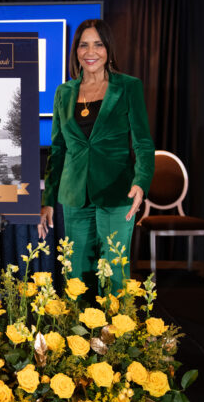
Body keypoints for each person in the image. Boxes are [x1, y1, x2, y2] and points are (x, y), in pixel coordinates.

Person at [38, 19, 154, 295]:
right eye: (84, 45)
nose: (91, 52)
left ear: (108, 49)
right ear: (76, 51)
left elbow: (143, 143)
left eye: (98, 44)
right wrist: (48, 201)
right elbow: (58, 150)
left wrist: (141, 182)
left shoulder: (128, 87)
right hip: (74, 196)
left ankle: (116, 337)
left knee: (114, 273)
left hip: (117, 193)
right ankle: (78, 336)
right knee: (76, 275)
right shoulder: (63, 92)